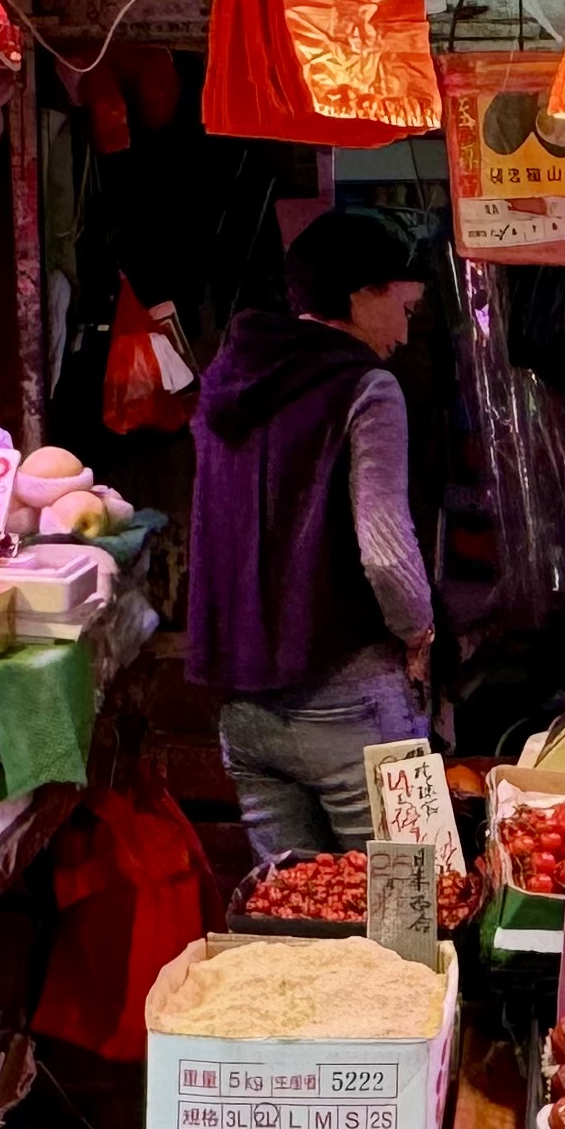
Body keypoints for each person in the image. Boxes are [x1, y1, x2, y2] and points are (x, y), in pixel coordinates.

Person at [191, 208, 435, 860]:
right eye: (406, 311)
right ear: (364, 295)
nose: (406, 335)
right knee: (402, 912)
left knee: (293, 924)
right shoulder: (366, 386)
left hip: (245, 714)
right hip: (351, 702)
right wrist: (418, 631)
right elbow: (385, 550)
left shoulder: (227, 383)